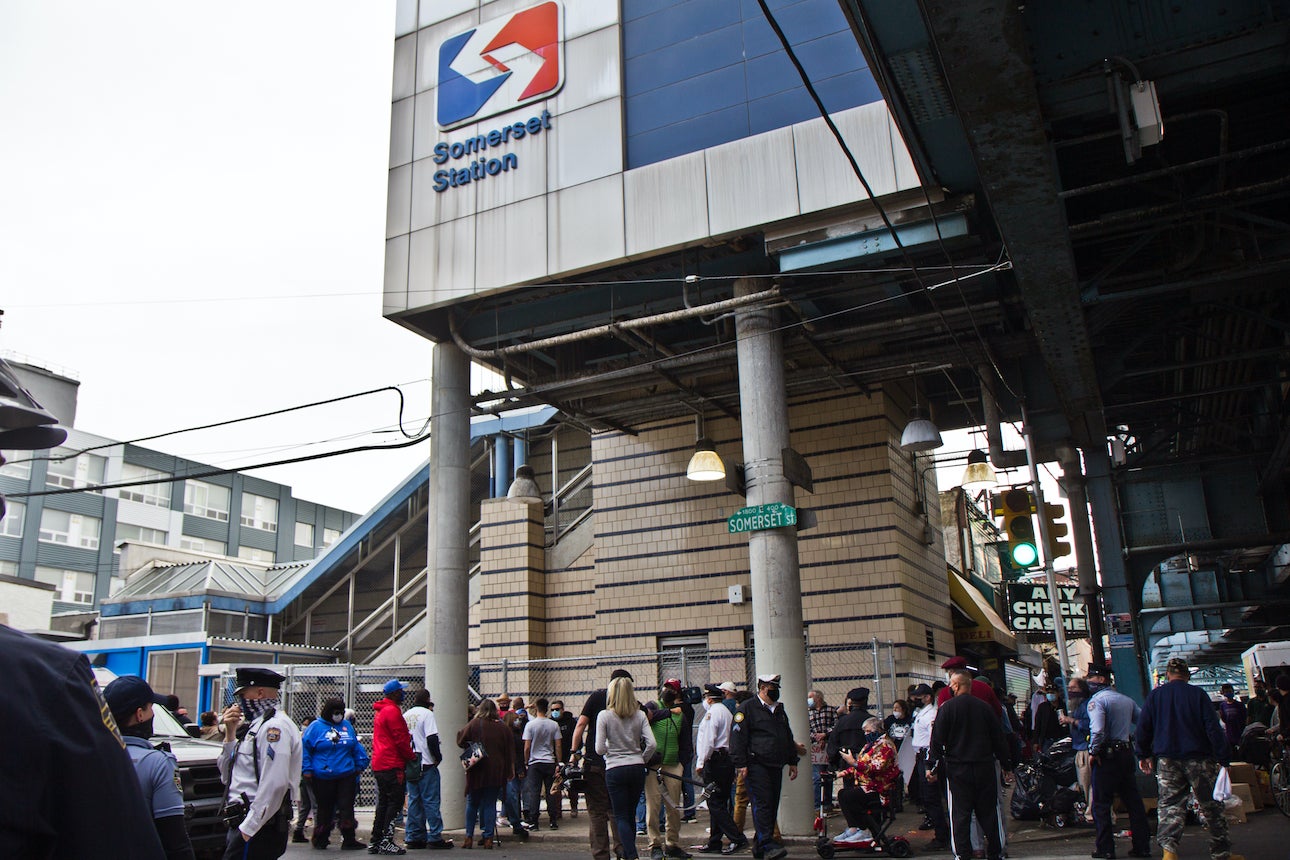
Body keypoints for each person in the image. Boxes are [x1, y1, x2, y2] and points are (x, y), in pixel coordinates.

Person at [1137, 658, 1245, 860]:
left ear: (1168, 675)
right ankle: (1221, 853)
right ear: (1187, 675)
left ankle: (1169, 852)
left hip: (1167, 760)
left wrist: (1142, 754)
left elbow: (1144, 727)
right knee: (1211, 805)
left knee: (1170, 805)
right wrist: (1224, 758)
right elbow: (1213, 728)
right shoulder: (1198, 695)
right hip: (1200, 759)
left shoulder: (1155, 696)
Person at [104, 675, 197, 860]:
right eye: (151, 708)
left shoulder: (88, 756)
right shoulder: (158, 763)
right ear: (140, 715)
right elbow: (174, 840)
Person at [217, 667, 303, 860]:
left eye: (243, 694)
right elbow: (227, 776)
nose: (240, 701)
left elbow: (275, 783)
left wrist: (248, 830)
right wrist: (230, 734)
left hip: (257, 826)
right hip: (244, 822)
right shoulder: (256, 725)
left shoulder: (275, 727)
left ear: (259, 693)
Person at [928, 670, 1011, 860]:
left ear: (956, 685)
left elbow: (937, 741)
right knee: (990, 812)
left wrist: (931, 766)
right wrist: (1006, 765)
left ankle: (963, 854)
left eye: (951, 683)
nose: (949, 687)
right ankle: (996, 852)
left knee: (960, 814)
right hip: (984, 766)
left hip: (957, 768)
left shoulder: (947, 709)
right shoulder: (984, 708)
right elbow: (999, 739)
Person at [1083, 666, 1150, 859]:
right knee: (1133, 802)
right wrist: (1134, 742)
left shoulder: (1097, 701)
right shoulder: (1126, 700)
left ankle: (1105, 849)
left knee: (1101, 804)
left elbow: (1098, 731)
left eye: (1092, 678)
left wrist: (1093, 751)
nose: (1089, 682)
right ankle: (1142, 846)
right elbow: (1144, 723)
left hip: (1106, 757)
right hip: (1125, 754)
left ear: (1102, 679)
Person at [730, 674, 799, 860]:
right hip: (755, 764)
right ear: (762, 688)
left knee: (772, 803)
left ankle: (760, 845)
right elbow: (737, 738)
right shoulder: (747, 709)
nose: (774, 690)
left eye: (776, 687)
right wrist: (741, 763)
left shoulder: (778, 710)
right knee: (762, 803)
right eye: (771, 687)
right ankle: (767, 844)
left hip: (775, 764)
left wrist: (793, 760)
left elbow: (787, 735)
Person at [572, 669, 633, 860]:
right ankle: (622, 849)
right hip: (619, 764)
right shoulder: (631, 702)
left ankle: (600, 854)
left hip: (594, 763)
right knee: (616, 810)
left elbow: (581, 724)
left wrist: (574, 753)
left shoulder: (597, 697)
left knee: (597, 812)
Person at [596, 674, 657, 860]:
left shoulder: (604, 716)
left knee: (620, 815)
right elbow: (652, 744)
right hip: (637, 766)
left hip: (615, 767)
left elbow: (599, 748)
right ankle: (631, 852)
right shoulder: (640, 715)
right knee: (630, 814)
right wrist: (642, 759)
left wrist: (610, 754)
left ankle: (631, 855)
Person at [301, 696, 368, 851]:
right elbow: (306, 750)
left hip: (346, 774)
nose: (338, 715)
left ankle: (349, 838)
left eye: (341, 712)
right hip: (323, 776)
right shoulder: (315, 727)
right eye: (335, 712)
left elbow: (355, 747)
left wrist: (360, 764)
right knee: (325, 808)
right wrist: (307, 769)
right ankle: (321, 838)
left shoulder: (346, 726)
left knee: (346, 807)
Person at [694, 683, 746, 855]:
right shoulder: (725, 711)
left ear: (709, 699)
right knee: (720, 801)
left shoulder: (712, 713)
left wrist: (701, 762)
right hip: (726, 761)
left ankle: (737, 838)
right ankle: (715, 840)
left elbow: (709, 740)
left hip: (714, 761)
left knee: (714, 802)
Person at [457, 698, 516, 849]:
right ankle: (488, 837)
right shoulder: (503, 728)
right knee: (490, 804)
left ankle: (469, 837)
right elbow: (510, 751)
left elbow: (460, 739)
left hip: (477, 769)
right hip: (496, 771)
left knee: (472, 803)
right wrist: (510, 770)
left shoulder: (475, 724)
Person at [832, 716, 899, 846]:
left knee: (850, 797)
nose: (866, 734)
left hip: (880, 788)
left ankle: (864, 829)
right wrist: (843, 773)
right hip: (868, 785)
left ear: (877, 730)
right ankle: (854, 828)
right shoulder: (870, 745)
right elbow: (861, 764)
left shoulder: (886, 746)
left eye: (868, 731)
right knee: (843, 794)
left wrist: (854, 763)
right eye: (865, 732)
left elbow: (876, 767)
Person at [643, 685, 688, 860]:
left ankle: (672, 844)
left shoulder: (681, 714)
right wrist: (669, 712)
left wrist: (682, 763)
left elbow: (685, 740)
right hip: (654, 764)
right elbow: (647, 717)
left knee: (674, 807)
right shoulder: (653, 706)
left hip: (673, 764)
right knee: (653, 805)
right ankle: (654, 844)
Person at [370, 679, 415, 855]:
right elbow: (401, 739)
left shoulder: (381, 711)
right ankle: (386, 840)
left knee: (383, 802)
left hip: (380, 763)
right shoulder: (392, 712)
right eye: (401, 691)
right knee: (394, 803)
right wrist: (411, 757)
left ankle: (376, 840)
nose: (403, 694)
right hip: (392, 763)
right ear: (395, 693)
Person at [405, 689, 451, 850]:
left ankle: (414, 835)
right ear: (427, 700)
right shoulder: (427, 714)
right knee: (431, 800)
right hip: (426, 762)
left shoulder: (406, 715)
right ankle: (434, 836)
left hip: (411, 763)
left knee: (414, 800)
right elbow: (432, 738)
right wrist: (437, 757)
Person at [908, 683, 948, 852]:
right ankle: (941, 833)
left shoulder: (931, 714)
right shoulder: (920, 713)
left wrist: (932, 765)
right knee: (926, 797)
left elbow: (934, 741)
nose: (914, 699)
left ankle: (942, 836)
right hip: (921, 757)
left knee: (932, 798)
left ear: (927, 697)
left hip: (928, 757)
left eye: (918, 696)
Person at [522, 697, 563, 831]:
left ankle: (534, 821)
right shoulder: (553, 725)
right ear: (547, 709)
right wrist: (558, 761)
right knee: (551, 791)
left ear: (536, 708)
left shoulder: (531, 725)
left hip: (535, 762)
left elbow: (527, 746)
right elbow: (557, 745)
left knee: (535, 792)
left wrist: (526, 761)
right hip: (549, 761)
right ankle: (553, 820)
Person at [1058, 676, 1093, 822]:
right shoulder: (1077, 707)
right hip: (1079, 748)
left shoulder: (1087, 706)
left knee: (1089, 784)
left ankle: (1092, 813)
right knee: (1085, 784)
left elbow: (1088, 726)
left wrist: (1070, 720)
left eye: (1073, 688)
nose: (1070, 691)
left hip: (1086, 750)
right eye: (1069, 688)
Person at [808, 689, 838, 813]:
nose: (808, 700)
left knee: (828, 776)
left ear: (818, 698)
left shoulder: (831, 710)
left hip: (828, 746)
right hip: (815, 747)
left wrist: (825, 735)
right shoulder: (808, 712)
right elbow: (806, 728)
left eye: (810, 697)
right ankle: (816, 804)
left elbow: (836, 725)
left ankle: (827, 802)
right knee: (816, 776)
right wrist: (816, 737)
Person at [1217, 684, 1247, 754]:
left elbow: (1244, 717)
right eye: (1226, 692)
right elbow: (1223, 717)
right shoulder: (1222, 705)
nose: (1229, 693)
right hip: (1229, 732)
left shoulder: (1240, 705)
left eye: (1230, 691)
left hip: (1240, 730)